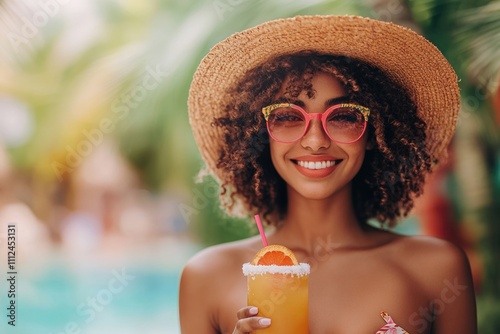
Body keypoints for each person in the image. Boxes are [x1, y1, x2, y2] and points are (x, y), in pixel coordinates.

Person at [179, 15, 477, 333]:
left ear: (377, 132)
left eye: (344, 116)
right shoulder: (206, 277)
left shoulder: (438, 269)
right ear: (259, 134)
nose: (316, 140)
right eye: (288, 116)